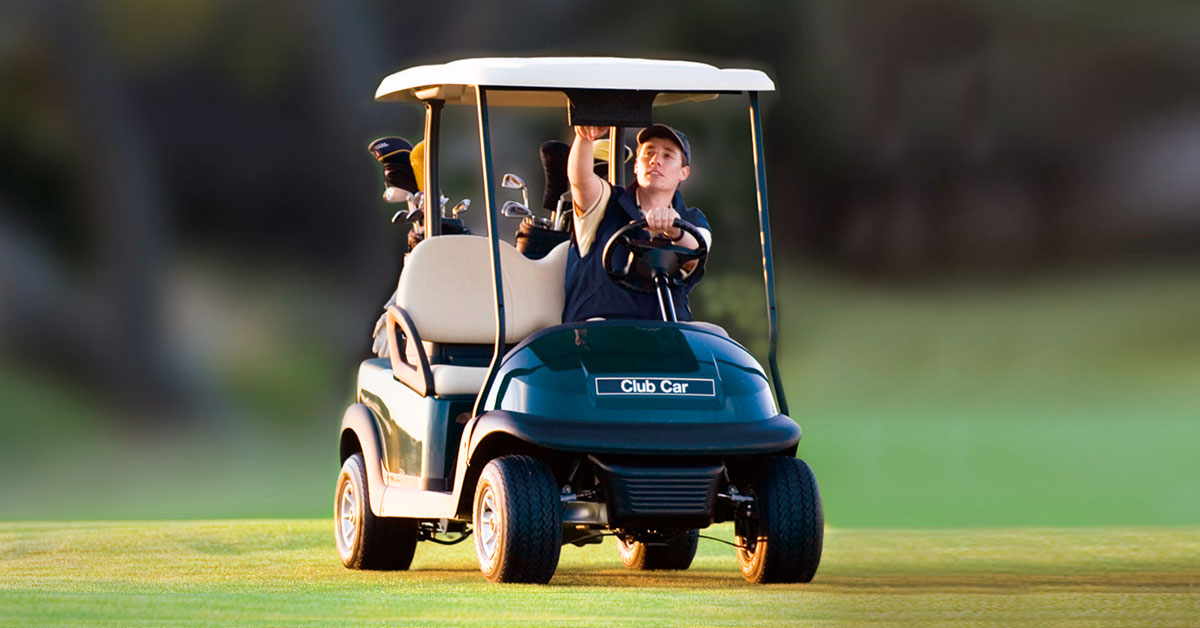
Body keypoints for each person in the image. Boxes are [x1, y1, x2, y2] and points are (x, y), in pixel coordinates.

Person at [563, 124, 711, 322]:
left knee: (717, 336)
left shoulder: (690, 219)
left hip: (666, 335)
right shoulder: (607, 203)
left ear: (683, 173)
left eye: (667, 156)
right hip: (601, 332)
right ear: (636, 166)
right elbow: (580, 181)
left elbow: (699, 247)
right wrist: (584, 137)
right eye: (648, 153)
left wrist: (674, 229)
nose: (656, 161)